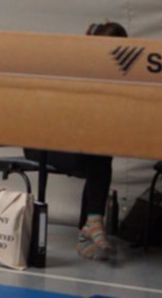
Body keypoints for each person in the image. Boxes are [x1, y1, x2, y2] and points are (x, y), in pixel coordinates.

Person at [25, 20, 124, 261]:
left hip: (79, 147)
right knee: (98, 155)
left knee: (100, 153)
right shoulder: (73, 70)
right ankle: (90, 227)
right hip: (42, 144)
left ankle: (90, 227)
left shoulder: (109, 80)